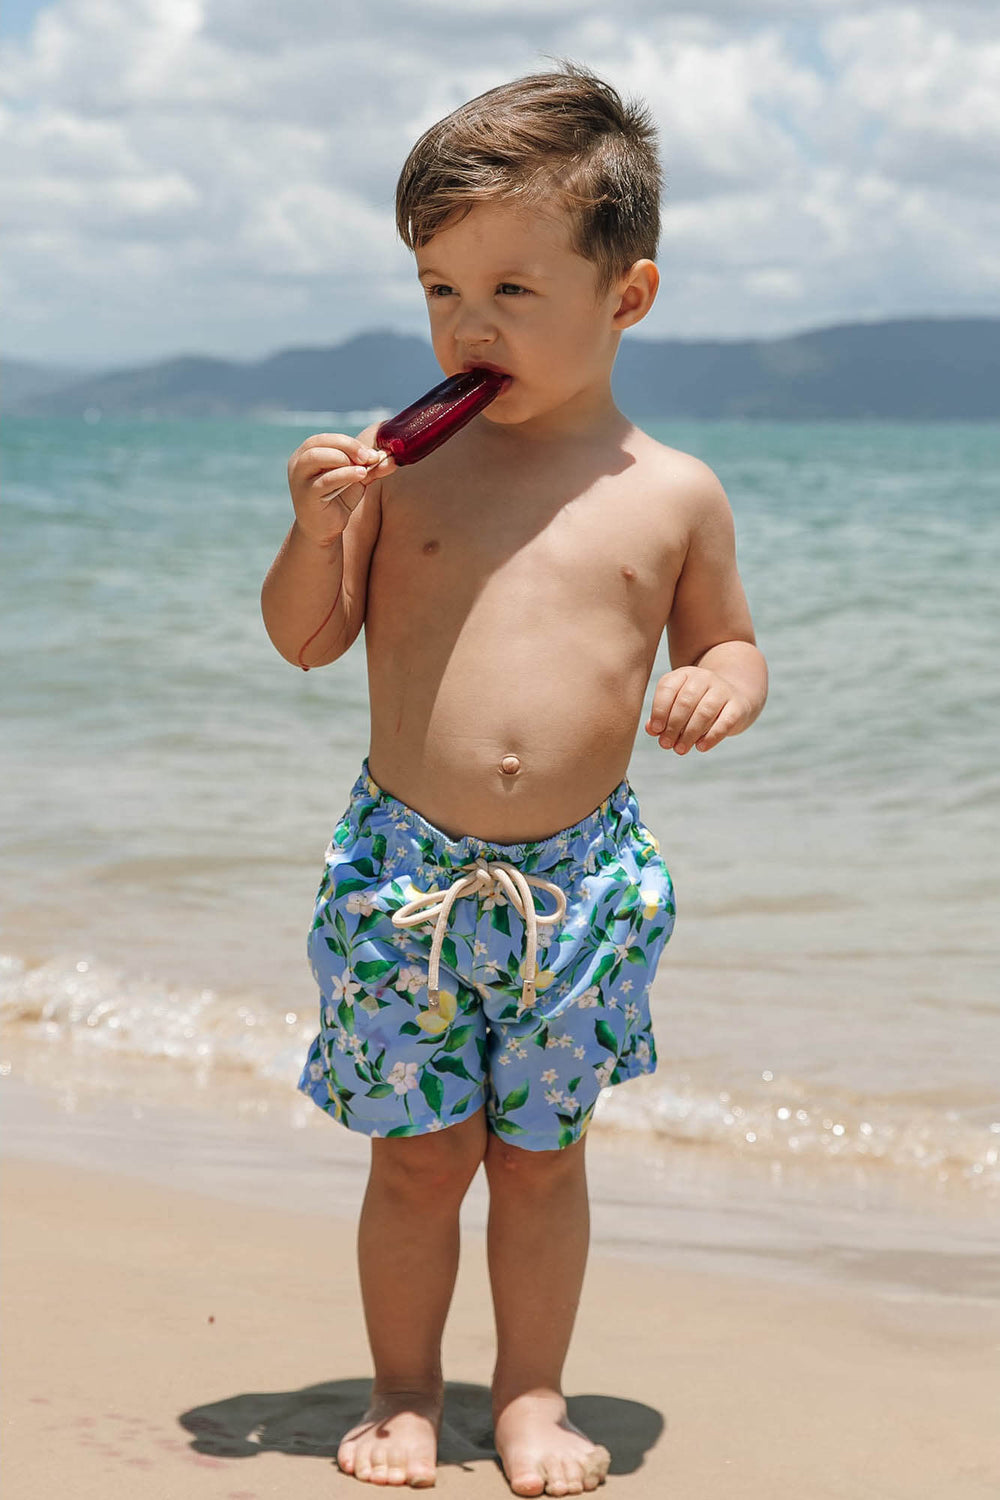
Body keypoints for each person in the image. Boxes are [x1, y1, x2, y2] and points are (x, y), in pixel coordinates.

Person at [261, 62, 767, 1497]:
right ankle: (408, 1391)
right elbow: (309, 642)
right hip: (403, 875)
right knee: (417, 1157)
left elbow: (731, 643)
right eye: (439, 292)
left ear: (629, 296)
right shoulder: (403, 475)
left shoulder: (669, 493)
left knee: (540, 1159)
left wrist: (716, 687)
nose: (466, 327)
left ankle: (533, 1395)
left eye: (510, 293)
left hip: (580, 885)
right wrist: (316, 530)